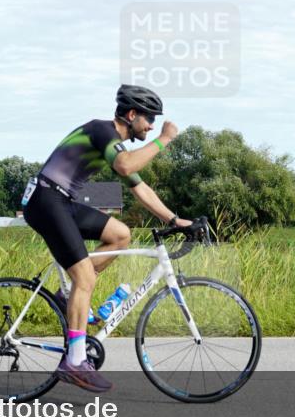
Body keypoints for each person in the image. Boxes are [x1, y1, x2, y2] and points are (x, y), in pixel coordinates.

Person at [22, 84, 193, 392]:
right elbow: (126, 164)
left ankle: (71, 295)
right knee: (85, 276)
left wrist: (175, 220)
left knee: (120, 234)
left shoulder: (114, 146)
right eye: (149, 119)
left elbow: (140, 188)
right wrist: (164, 139)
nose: (152, 125)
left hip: (61, 201)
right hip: (46, 201)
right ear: (131, 114)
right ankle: (74, 361)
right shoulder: (101, 131)